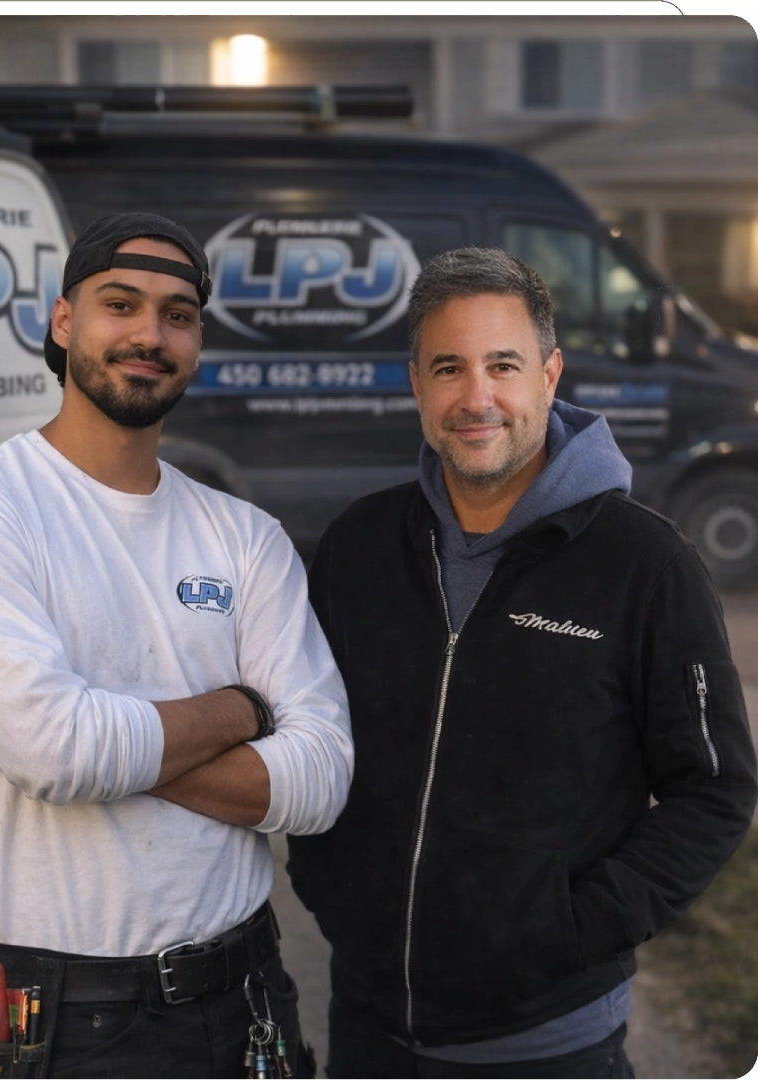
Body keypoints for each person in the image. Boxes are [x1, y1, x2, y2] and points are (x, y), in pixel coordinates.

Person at [0, 212, 352, 1080]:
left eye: (178, 315)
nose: (150, 334)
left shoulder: (244, 537)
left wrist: (103, 741)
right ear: (64, 321)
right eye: (121, 304)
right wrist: (243, 710)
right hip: (68, 1018)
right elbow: (55, 751)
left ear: (197, 344)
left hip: (249, 993)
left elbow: (320, 780)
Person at [286, 247, 758, 1080]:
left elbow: (713, 790)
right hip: (367, 1027)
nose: (477, 398)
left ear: (549, 375)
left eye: (502, 365)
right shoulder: (360, 545)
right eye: (449, 368)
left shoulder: (644, 565)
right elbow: (309, 730)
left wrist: (575, 928)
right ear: (416, 385)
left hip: (551, 1041)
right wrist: (330, 885)